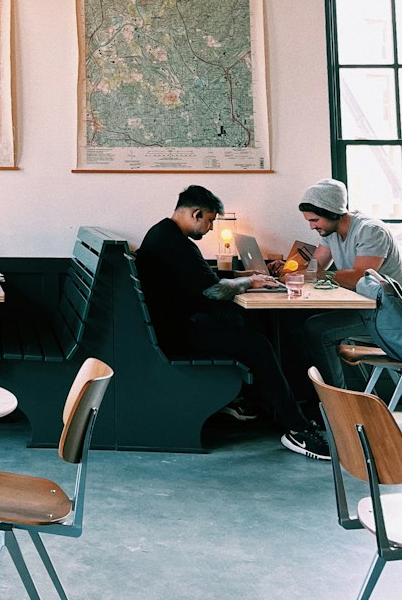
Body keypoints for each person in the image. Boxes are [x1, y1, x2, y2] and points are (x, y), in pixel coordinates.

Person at [136, 185, 329, 460]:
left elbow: (200, 279)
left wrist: (243, 274)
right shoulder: (177, 243)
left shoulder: (163, 233)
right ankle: (297, 429)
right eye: (211, 221)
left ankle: (266, 407)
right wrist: (250, 281)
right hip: (179, 331)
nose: (211, 228)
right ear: (196, 213)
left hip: (175, 323)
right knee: (258, 345)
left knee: (248, 326)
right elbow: (213, 291)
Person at [299, 178, 402, 389]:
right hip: (366, 307)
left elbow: (358, 276)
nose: (311, 226)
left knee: (317, 328)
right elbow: (315, 267)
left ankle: (336, 399)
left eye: (315, 220)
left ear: (332, 212)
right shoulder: (330, 232)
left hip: (388, 313)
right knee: (301, 320)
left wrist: (317, 275)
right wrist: (287, 271)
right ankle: (325, 397)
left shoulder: (371, 231)